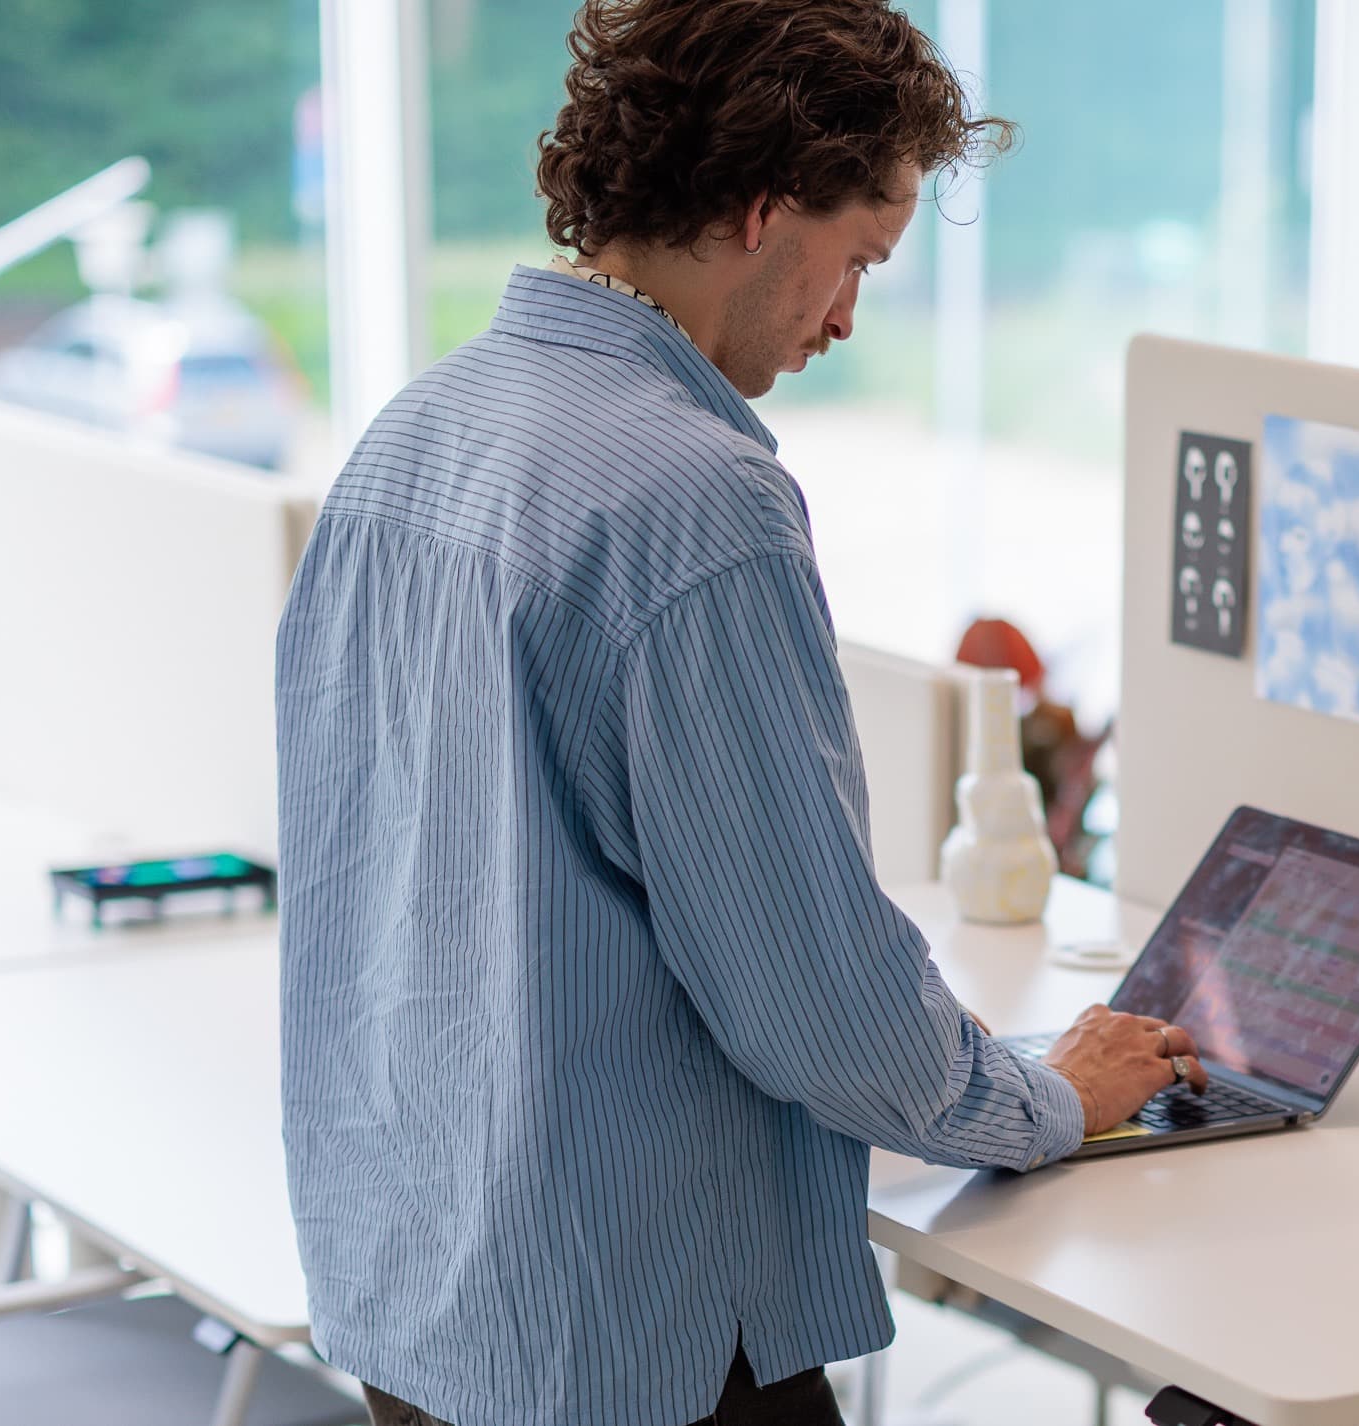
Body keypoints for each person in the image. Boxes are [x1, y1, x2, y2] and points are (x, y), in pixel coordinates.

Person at [273, 4, 1202, 1424]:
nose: (844, 316)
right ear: (766, 213)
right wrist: (1051, 1095)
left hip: (421, 1296)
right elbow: (813, 995)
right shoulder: (695, 501)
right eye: (857, 263)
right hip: (629, 1330)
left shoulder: (420, 430)